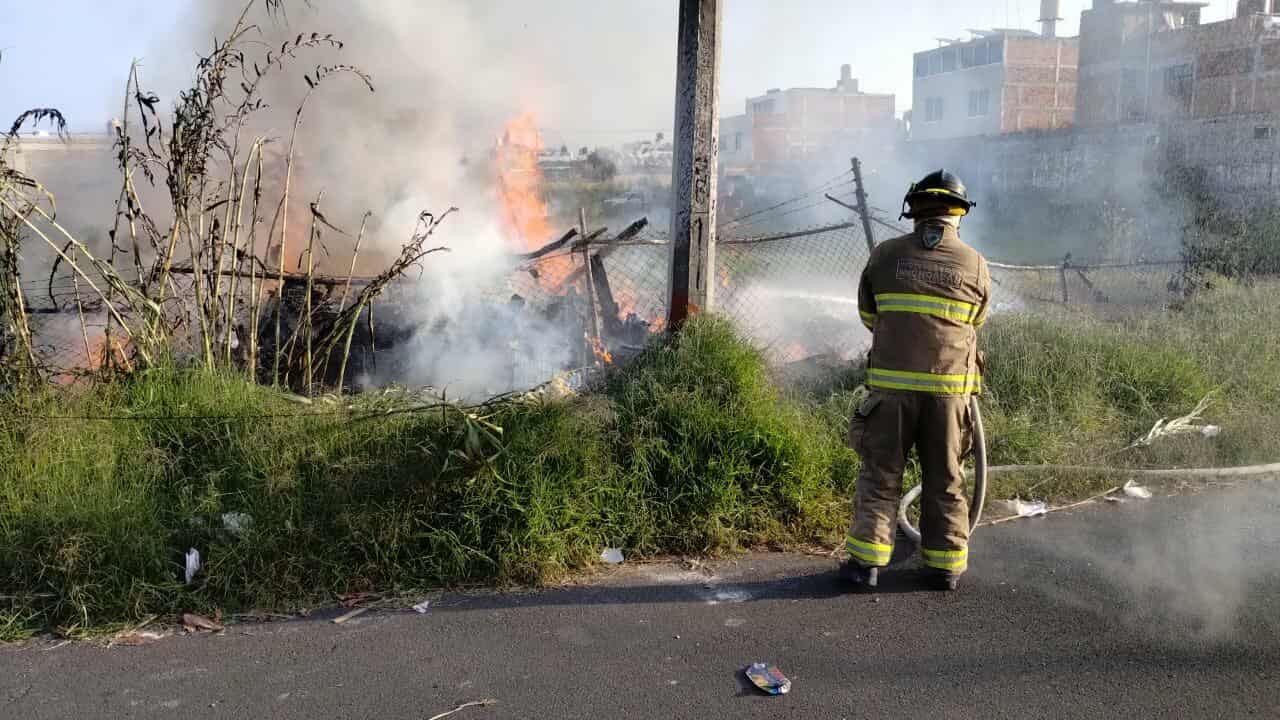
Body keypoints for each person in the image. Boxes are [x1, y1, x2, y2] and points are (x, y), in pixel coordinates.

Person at [843, 169, 991, 592]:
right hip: (949, 397)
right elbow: (976, 321)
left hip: (889, 395)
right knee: (946, 478)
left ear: (914, 211)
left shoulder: (884, 256)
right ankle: (944, 568)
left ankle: (865, 566)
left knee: (880, 476)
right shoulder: (975, 263)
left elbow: (869, 317)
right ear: (958, 214)